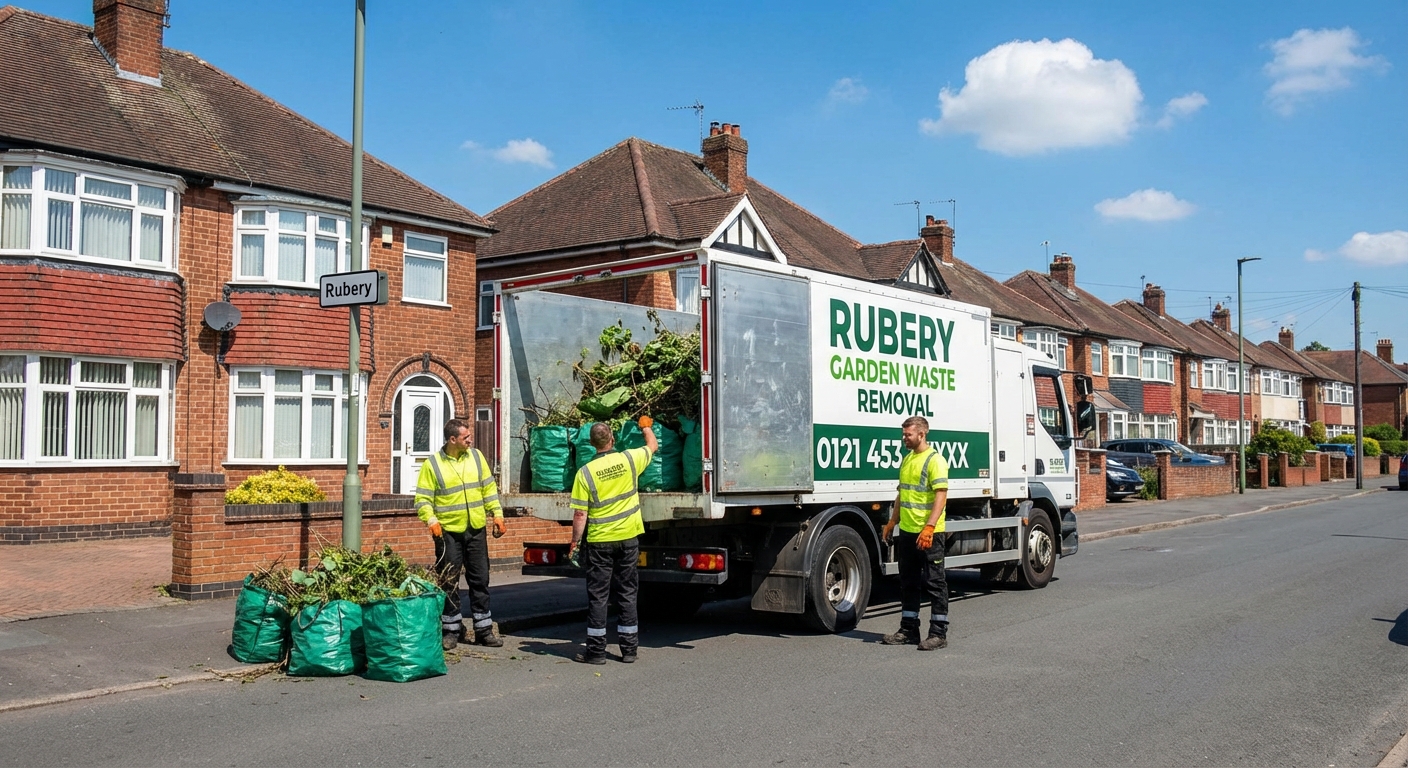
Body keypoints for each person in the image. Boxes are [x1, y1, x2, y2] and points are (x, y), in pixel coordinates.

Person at [567, 416, 658, 664]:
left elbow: (580, 514)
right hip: (628, 537)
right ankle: (629, 651)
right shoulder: (629, 459)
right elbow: (652, 446)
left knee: (599, 596)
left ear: (591, 444)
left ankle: (596, 653)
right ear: (612, 439)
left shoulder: (584, 473)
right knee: (628, 592)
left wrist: (575, 543)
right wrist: (645, 426)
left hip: (599, 542)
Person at [415, 418, 507, 651]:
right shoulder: (433, 464)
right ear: (452, 439)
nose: (470, 440)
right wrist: (431, 520)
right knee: (449, 581)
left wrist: (497, 514)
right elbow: (423, 499)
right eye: (466, 437)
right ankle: (451, 630)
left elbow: (488, 488)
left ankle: (484, 630)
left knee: (480, 580)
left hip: (475, 529)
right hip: (448, 533)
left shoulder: (476, 457)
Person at [880, 415, 951, 650]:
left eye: (908, 434)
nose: (904, 439)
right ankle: (909, 630)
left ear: (922, 434)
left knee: (934, 583)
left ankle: (938, 634)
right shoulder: (908, 459)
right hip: (909, 532)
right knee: (908, 583)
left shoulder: (935, 461)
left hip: (929, 533)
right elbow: (903, 494)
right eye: (904, 434)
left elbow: (941, 495)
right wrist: (892, 522)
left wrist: (930, 527)